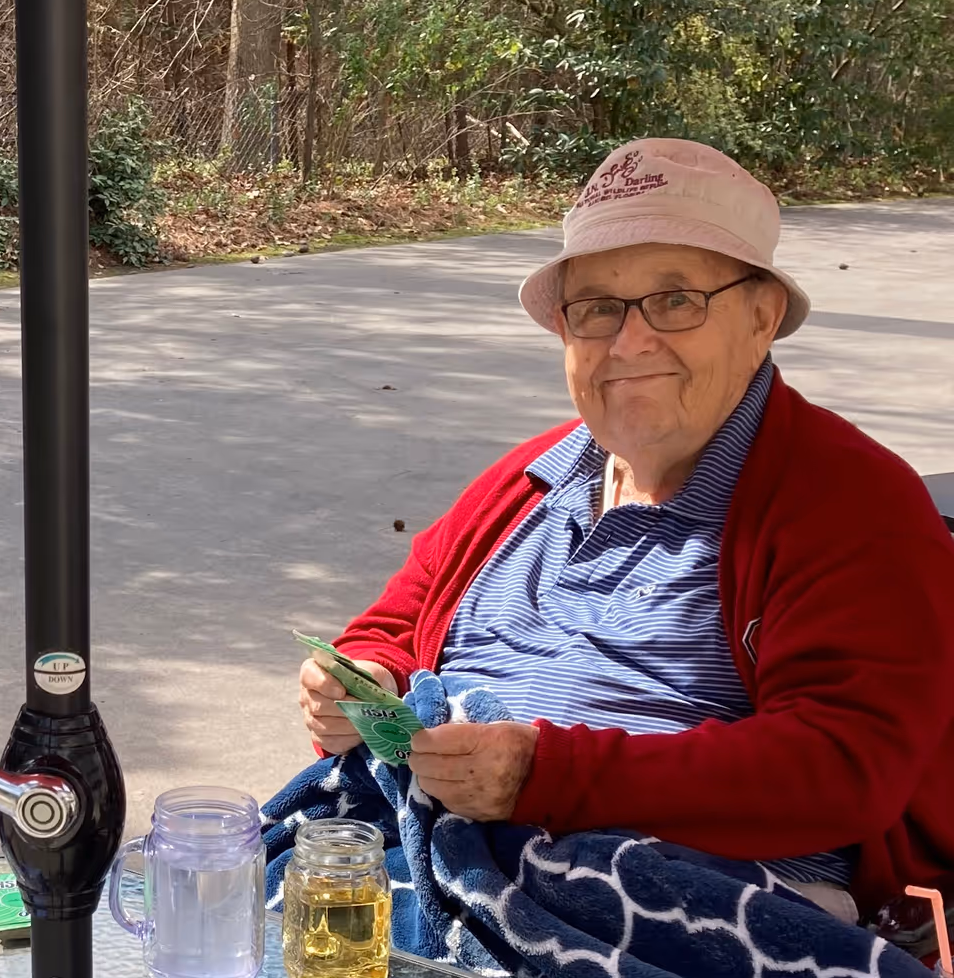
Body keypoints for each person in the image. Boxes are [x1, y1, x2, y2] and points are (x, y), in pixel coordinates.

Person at [298, 138, 954, 924]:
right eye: (597, 308)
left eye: (676, 299)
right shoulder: (531, 474)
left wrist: (544, 777)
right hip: (431, 850)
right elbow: (397, 625)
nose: (629, 341)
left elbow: (844, 764)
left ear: (761, 317)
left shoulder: (851, 502)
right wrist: (361, 682)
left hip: (668, 914)